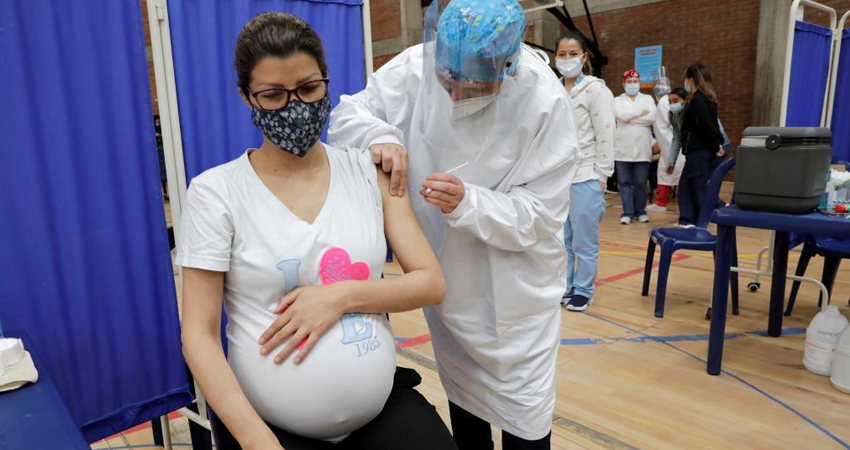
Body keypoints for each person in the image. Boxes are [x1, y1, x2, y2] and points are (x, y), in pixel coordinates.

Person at [177, 13, 458, 450]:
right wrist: (256, 441)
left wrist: (339, 296)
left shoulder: (371, 171)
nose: (296, 107)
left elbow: (430, 282)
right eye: (273, 95)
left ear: (327, 81)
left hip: (380, 411)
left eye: (309, 89)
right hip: (270, 427)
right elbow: (198, 334)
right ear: (246, 97)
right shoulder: (216, 193)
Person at [328, 0, 579, 447]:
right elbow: (349, 115)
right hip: (449, 281)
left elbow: (540, 216)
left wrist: (470, 204)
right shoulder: (415, 68)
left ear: (508, 66)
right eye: (449, 80)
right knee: (465, 406)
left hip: (517, 290)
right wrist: (380, 136)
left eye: (477, 84)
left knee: (527, 418)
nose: (458, 95)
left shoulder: (543, 101)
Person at [554, 31, 614, 312]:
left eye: (573, 54)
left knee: (583, 240)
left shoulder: (594, 89)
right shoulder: (552, 88)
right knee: (561, 239)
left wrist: (602, 175)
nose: (567, 59)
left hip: (586, 175)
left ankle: (584, 289)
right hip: (558, 178)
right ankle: (564, 286)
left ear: (584, 57)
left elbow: (605, 133)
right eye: (562, 54)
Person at [677, 63, 725, 227]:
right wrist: (717, 143)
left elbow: (707, 125)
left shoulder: (698, 99)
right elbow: (713, 125)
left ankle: (700, 220)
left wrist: (715, 145)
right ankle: (689, 219)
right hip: (700, 149)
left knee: (697, 186)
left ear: (691, 80)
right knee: (686, 185)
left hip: (698, 149)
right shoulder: (709, 98)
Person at [613, 69, 656, 224]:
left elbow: (652, 117)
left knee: (640, 182)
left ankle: (640, 211)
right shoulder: (617, 100)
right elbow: (620, 116)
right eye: (629, 82)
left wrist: (630, 117)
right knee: (624, 182)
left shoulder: (648, 99)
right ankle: (627, 213)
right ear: (624, 83)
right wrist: (640, 113)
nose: (633, 84)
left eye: (635, 81)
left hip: (642, 148)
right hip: (622, 148)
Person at [647, 82, 686, 213]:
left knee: (679, 173)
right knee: (665, 171)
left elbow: (672, 121)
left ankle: (685, 206)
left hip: (673, 144)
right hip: (666, 143)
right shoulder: (664, 102)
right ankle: (660, 202)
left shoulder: (665, 101)